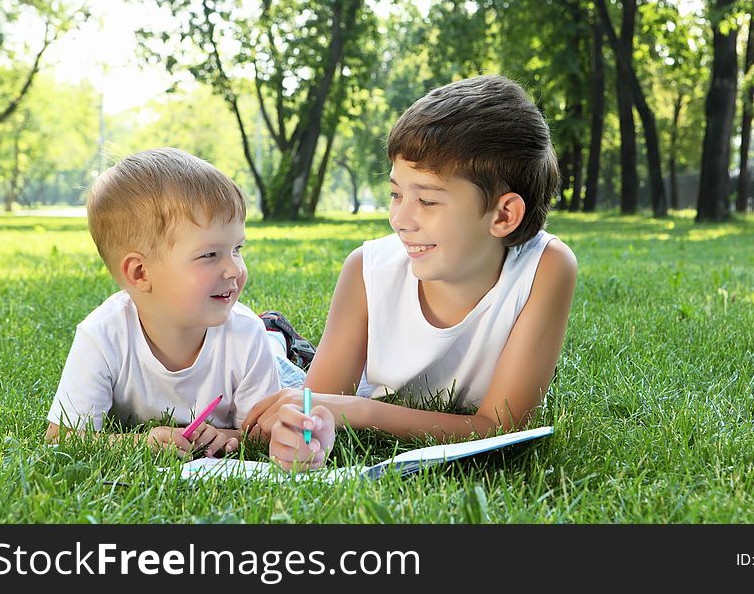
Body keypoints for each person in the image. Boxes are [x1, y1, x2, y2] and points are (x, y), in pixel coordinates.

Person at [245, 74, 577, 459]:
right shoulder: (367, 271)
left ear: (503, 215)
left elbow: (503, 428)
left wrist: (361, 411)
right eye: (396, 193)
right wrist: (298, 432)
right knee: (268, 368)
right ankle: (277, 335)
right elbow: (314, 410)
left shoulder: (546, 267)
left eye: (428, 201)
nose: (401, 218)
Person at [44, 148, 334, 470]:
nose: (234, 269)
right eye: (210, 255)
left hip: (265, 347)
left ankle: (277, 332)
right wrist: (140, 441)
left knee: (286, 369)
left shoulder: (244, 335)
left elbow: (260, 430)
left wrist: (233, 437)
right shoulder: (102, 335)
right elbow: (63, 437)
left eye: (237, 249)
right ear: (140, 273)